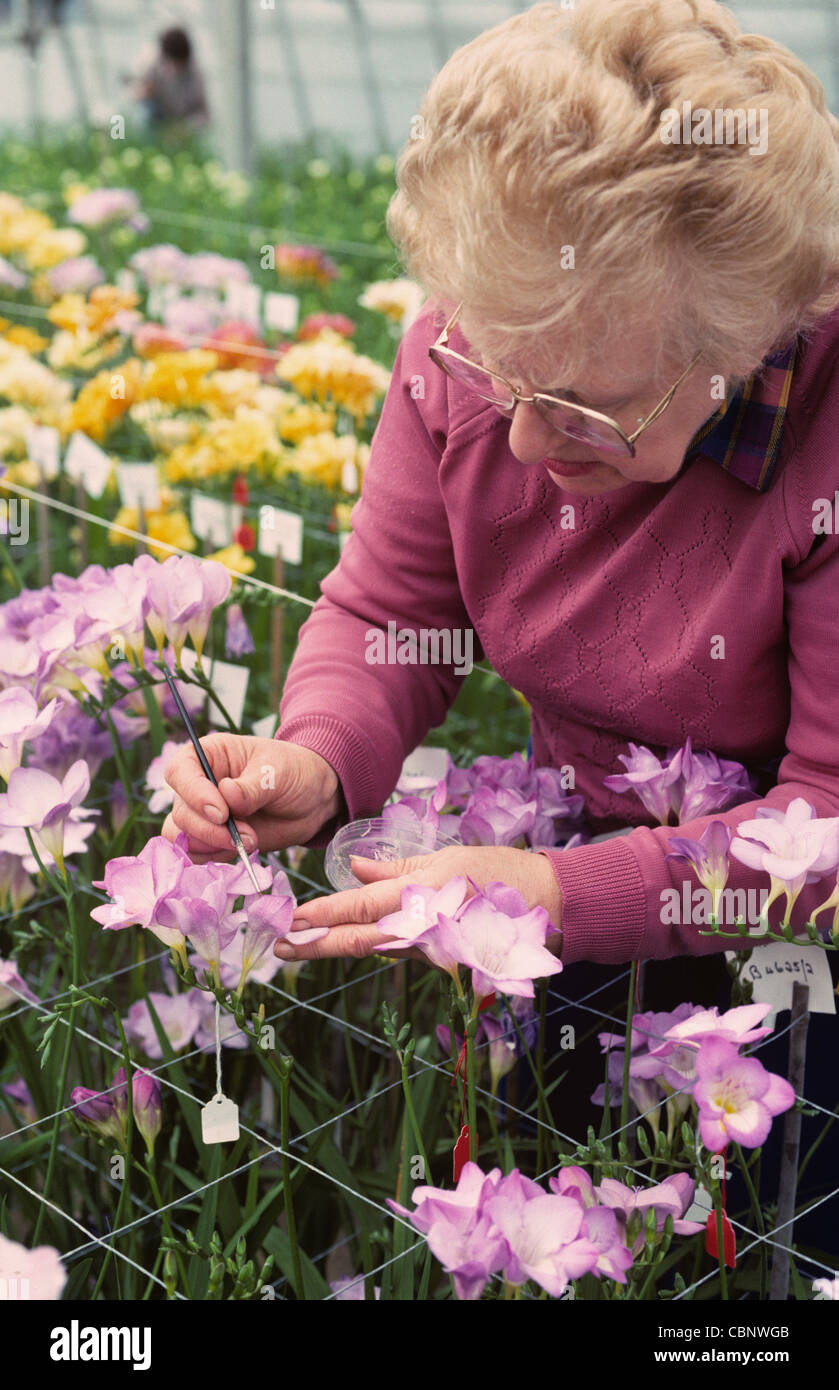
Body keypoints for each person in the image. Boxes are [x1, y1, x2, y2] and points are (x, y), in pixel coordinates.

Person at [163, 0, 839, 981]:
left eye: (583, 408)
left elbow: (823, 821)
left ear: (736, 351)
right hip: (548, 861)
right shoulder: (477, 340)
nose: (519, 439)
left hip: (777, 924)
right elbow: (390, 612)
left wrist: (560, 894)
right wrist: (317, 757)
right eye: (497, 374)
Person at [132, 26, 208, 134]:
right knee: (147, 112)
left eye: (179, 63)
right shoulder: (156, 66)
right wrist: (146, 93)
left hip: (183, 127)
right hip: (161, 122)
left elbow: (204, 114)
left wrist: (184, 128)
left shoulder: (196, 74)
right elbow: (137, 93)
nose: (175, 68)